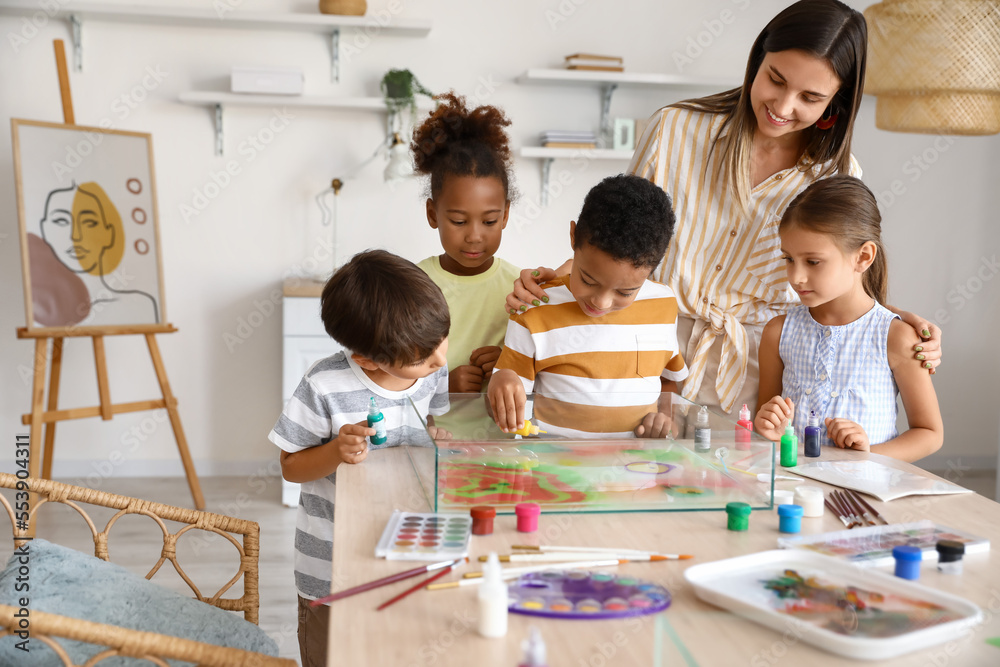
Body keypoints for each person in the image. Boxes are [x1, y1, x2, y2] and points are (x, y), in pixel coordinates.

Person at [506, 0, 941, 422]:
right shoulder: (674, 129)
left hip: (757, 375)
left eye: (810, 97)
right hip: (644, 351)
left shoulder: (838, 173)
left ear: (836, 103)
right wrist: (558, 279)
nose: (783, 107)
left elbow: (843, 278)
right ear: (758, 59)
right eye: (775, 79)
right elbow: (623, 238)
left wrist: (893, 323)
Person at [268, 249, 450, 667]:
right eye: (423, 359)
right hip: (333, 567)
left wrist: (441, 435)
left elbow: (436, 424)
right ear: (367, 359)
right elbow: (290, 466)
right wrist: (335, 451)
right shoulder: (324, 384)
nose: (441, 360)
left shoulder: (432, 367)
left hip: (409, 555)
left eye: (442, 341)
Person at [754, 176, 942, 462]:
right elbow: (766, 422)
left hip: (864, 498)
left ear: (863, 257)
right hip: (794, 493)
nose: (796, 277)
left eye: (813, 262)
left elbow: (929, 433)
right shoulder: (777, 333)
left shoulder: (897, 337)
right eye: (789, 259)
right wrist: (770, 427)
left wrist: (868, 454)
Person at [488, 174, 687, 438]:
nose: (601, 302)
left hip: (633, 472)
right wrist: (501, 381)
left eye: (625, 291)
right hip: (554, 471)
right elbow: (507, 403)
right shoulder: (534, 308)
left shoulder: (663, 304)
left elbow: (668, 382)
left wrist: (665, 420)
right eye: (588, 280)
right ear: (573, 237)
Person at [414, 92, 521, 394]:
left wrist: (509, 364)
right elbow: (389, 373)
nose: (474, 236)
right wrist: (442, 387)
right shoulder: (414, 284)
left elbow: (545, 367)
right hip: (431, 436)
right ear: (433, 214)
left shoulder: (521, 288)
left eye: (488, 221)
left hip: (499, 440)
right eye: (459, 221)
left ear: (505, 215)